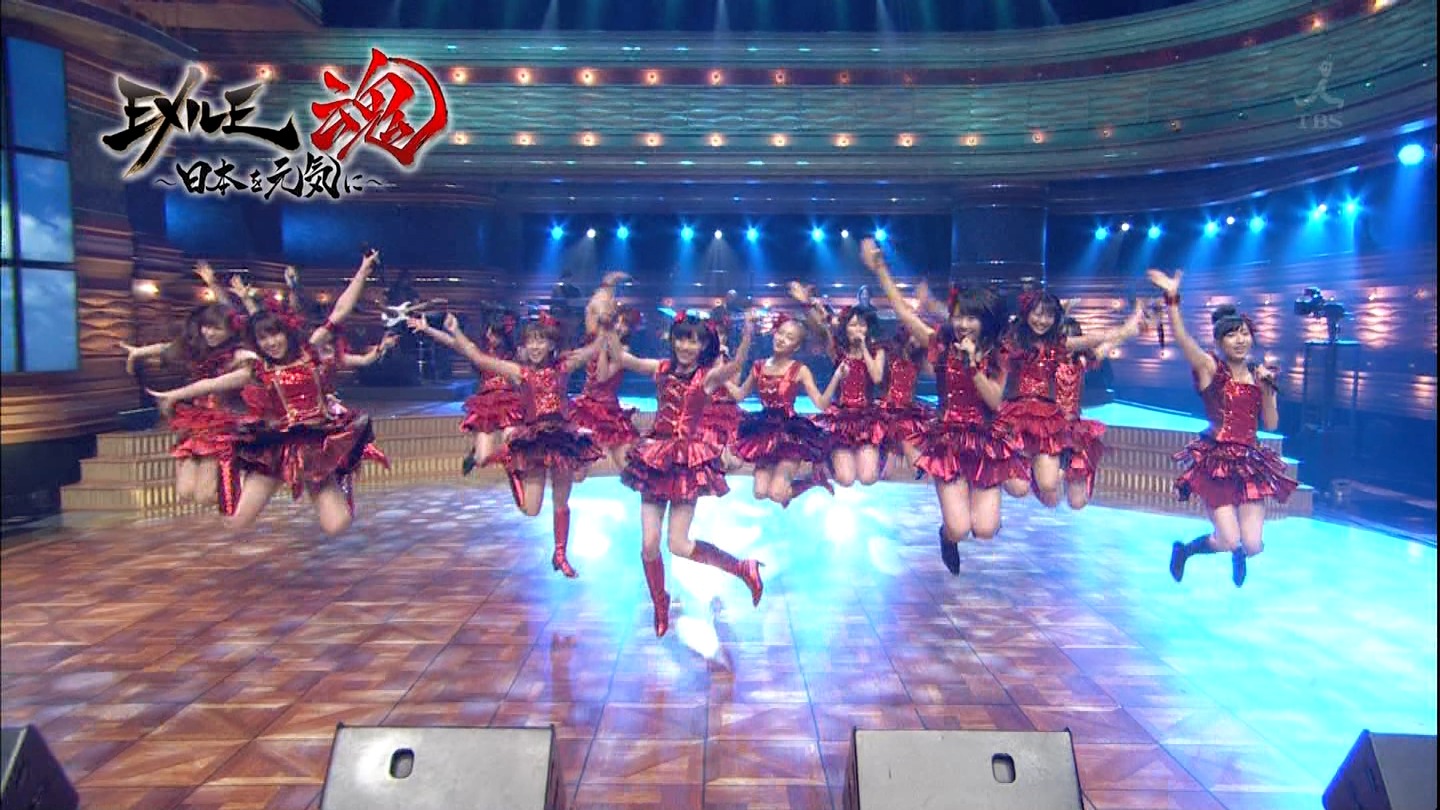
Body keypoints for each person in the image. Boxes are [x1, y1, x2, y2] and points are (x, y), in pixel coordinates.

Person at [863, 238, 1025, 574]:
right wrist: (880, 269)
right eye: (959, 316)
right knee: (959, 528)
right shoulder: (940, 345)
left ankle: (984, 515)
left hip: (985, 442)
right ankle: (946, 535)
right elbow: (904, 313)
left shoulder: (999, 355)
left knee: (984, 530)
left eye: (971, 318)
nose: (963, 324)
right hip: (948, 440)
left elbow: (995, 401)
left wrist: (973, 366)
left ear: (987, 320)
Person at [613, 312, 762, 637]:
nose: (685, 346)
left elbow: (736, 366)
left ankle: (742, 568)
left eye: (693, 341)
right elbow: (622, 359)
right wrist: (609, 327)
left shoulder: (706, 377)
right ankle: (660, 601)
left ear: (704, 345)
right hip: (655, 458)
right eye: (681, 338)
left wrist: (748, 336)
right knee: (649, 544)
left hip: (685, 462)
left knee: (678, 544)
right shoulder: (661, 368)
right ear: (672, 339)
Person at [1148, 269, 1296, 587]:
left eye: (1244, 334)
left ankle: (1239, 553)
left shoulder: (1260, 375)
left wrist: (1268, 391)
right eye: (1232, 335)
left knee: (1253, 546)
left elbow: (1271, 424)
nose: (1240, 340)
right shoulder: (1211, 369)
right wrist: (1172, 299)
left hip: (1250, 461)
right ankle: (1185, 550)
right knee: (1228, 539)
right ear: (1219, 341)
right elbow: (1184, 340)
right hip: (1217, 460)